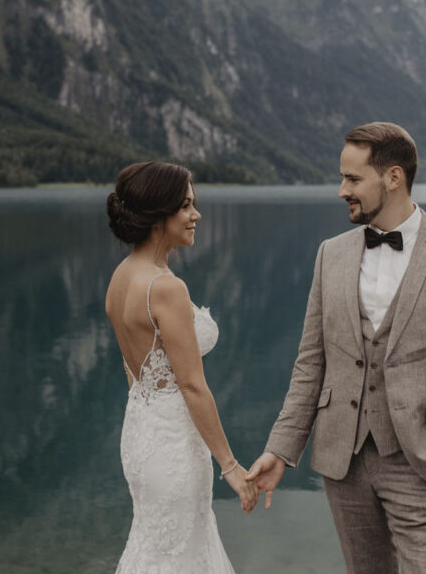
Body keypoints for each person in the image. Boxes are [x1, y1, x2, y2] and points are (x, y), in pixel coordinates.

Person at [247, 122, 426, 573]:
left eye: (352, 179)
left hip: (422, 461)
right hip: (343, 463)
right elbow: (311, 364)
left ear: (393, 177)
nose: (340, 190)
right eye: (342, 178)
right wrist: (280, 449)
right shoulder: (330, 254)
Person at [105, 161, 256, 574]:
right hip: (173, 444)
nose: (196, 215)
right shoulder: (165, 287)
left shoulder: (121, 277)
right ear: (159, 216)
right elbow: (192, 387)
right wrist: (231, 467)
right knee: (180, 554)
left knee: (156, 545)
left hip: (140, 433)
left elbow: (134, 371)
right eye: (186, 206)